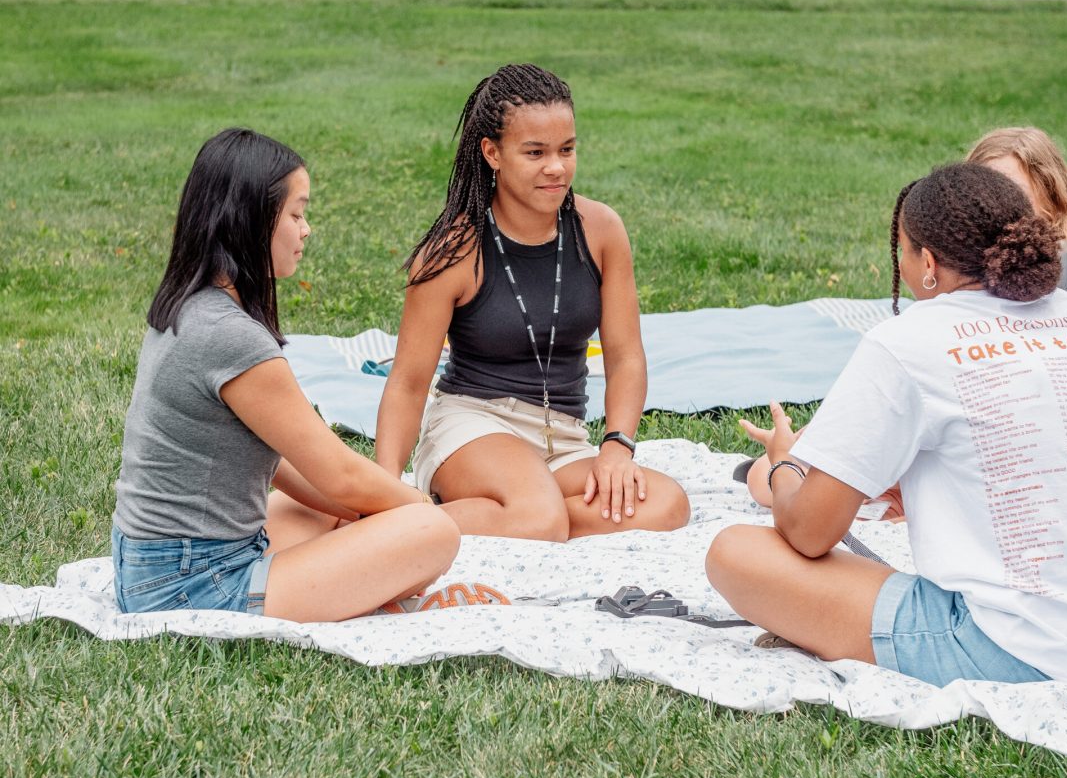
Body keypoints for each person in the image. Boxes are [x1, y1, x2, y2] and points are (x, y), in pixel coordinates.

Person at [707, 162, 1067, 685]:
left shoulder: (908, 340)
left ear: (927, 261)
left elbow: (810, 532)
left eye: (901, 248)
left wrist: (784, 468)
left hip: (1019, 649)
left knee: (736, 553)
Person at [112, 129, 460, 622]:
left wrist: (379, 508)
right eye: (296, 214)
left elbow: (292, 465)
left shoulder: (190, 306)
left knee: (347, 506)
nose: (306, 229)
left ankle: (364, 569)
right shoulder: (228, 336)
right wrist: (418, 505)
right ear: (251, 221)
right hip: (189, 587)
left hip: (155, 567)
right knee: (435, 532)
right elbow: (339, 475)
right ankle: (372, 575)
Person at [375, 64, 690, 542]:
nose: (557, 167)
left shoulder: (601, 230)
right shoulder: (454, 251)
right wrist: (380, 486)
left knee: (665, 504)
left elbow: (626, 356)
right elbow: (407, 381)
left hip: (561, 438)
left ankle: (487, 516)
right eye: (535, 152)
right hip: (474, 425)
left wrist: (616, 448)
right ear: (492, 153)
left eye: (567, 149)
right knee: (540, 514)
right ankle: (389, 518)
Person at [739, 125, 1067, 510]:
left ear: (1052, 204)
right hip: (967, 431)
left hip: (1012, 448)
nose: (992, 210)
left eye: (1008, 194)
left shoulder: (1063, 273)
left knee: (769, 495)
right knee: (769, 474)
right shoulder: (965, 289)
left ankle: (797, 468)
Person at [967, 126, 1067, 299]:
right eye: (985, 193)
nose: (997, 206)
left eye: (1016, 194)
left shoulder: (1064, 260)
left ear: (1052, 196)